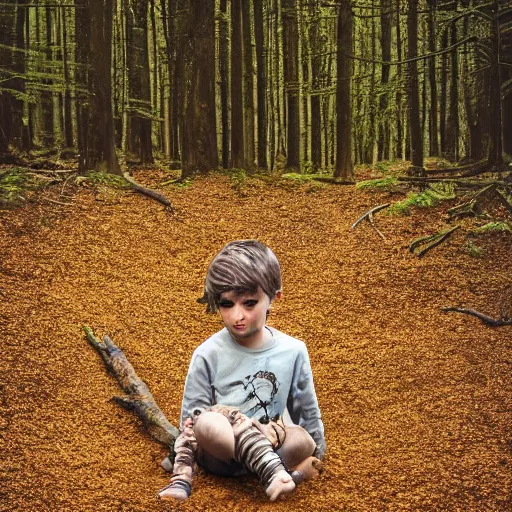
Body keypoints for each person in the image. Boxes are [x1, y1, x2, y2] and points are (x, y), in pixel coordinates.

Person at [158, 240, 326, 502]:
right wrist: (180, 461)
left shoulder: (293, 350)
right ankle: (282, 474)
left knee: (303, 439)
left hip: (272, 443)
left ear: (274, 298)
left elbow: (305, 408)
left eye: (249, 303)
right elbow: (193, 418)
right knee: (209, 423)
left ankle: (275, 470)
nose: (238, 316)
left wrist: (317, 450)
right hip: (222, 454)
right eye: (227, 304)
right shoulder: (208, 353)